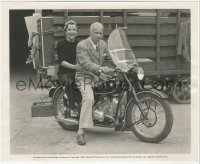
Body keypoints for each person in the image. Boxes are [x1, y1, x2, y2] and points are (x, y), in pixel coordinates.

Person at [75, 22, 114, 145]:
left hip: (98, 76)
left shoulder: (103, 44)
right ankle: (80, 131)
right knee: (89, 98)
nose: (98, 35)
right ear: (90, 32)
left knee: (118, 85)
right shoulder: (82, 45)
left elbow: (109, 58)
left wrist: (121, 62)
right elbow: (86, 63)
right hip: (84, 76)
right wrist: (101, 69)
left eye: (100, 33)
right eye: (96, 33)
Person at [57, 20, 79, 111]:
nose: (72, 32)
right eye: (69, 29)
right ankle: (72, 108)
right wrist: (74, 67)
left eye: (74, 29)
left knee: (86, 83)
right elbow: (62, 61)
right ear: (65, 31)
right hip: (64, 73)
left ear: (77, 32)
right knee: (70, 84)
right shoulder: (61, 44)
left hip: (76, 71)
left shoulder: (78, 43)